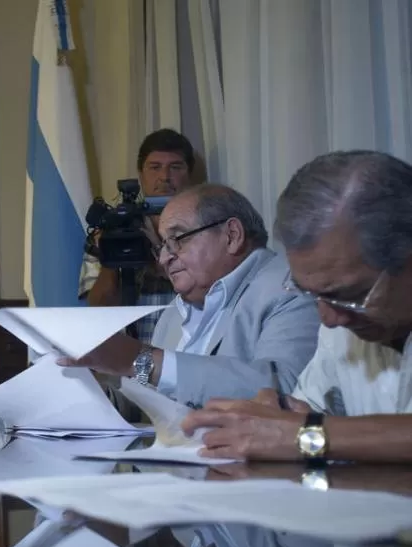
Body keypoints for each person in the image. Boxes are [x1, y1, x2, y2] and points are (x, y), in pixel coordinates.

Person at [182, 151, 412, 462]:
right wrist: (276, 415)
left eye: (351, 294)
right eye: (313, 295)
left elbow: (305, 433)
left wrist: (308, 435)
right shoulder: (340, 323)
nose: (327, 318)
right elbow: (307, 413)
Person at [61, 184, 319, 410]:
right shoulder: (174, 313)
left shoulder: (290, 287)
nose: (164, 258)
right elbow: (149, 391)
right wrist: (93, 393)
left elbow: (285, 392)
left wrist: (142, 359)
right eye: (163, 245)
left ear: (232, 235)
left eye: (177, 239)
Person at [82, 129, 197, 344]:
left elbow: (213, 296)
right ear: (141, 174)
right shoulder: (113, 226)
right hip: (129, 353)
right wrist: (112, 254)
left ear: (189, 173)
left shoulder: (206, 227)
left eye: (175, 167)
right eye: (155, 167)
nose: (164, 177)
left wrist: (160, 255)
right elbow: (99, 309)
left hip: (187, 349)